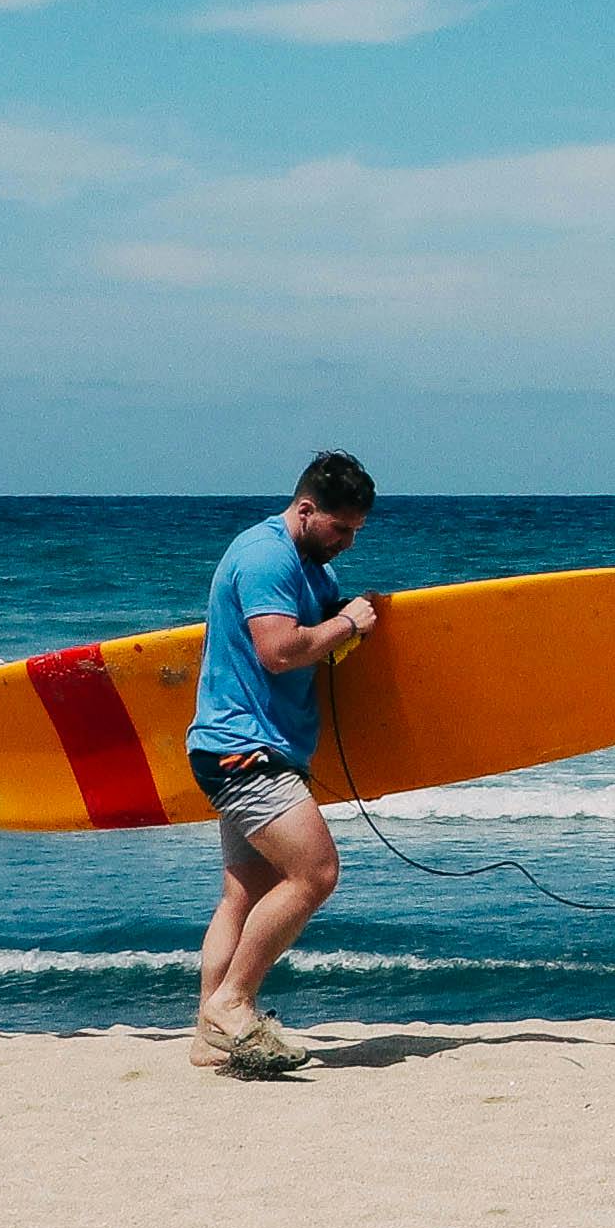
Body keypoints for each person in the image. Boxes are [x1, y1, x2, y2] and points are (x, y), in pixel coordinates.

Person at [183, 451, 382, 1078]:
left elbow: (311, 634)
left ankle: (206, 1036)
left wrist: (342, 619)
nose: (348, 542)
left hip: (232, 746)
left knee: (243, 894)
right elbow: (277, 650)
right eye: (340, 528)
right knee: (316, 872)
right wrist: (348, 622)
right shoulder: (267, 556)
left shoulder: (304, 563)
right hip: (247, 751)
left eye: (356, 531)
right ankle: (233, 1003)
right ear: (305, 509)